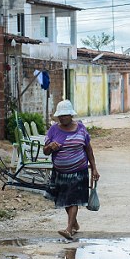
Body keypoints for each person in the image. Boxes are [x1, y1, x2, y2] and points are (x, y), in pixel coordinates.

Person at [43, 100, 100, 241]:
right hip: (60, 173)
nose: (62, 118)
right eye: (60, 116)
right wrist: (50, 146)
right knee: (64, 200)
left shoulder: (81, 128)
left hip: (79, 171)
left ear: (71, 115)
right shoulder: (53, 130)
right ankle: (74, 223)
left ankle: (69, 229)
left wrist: (94, 168)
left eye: (65, 115)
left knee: (73, 199)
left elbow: (88, 149)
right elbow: (45, 151)